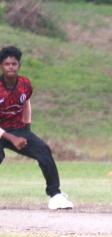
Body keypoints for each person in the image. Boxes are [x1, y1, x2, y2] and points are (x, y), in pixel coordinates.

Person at [0, 46, 73, 210]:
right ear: (1, 66)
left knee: (44, 151)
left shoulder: (24, 83)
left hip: (18, 129)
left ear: (19, 65)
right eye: (6, 64)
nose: (11, 67)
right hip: (2, 132)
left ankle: (55, 196)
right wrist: (12, 138)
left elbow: (26, 102)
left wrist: (26, 129)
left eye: (14, 63)